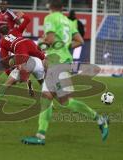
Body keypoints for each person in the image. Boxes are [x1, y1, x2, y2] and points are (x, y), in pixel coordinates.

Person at [22, 0, 109, 145]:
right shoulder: (69, 21)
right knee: (53, 99)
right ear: (63, 7)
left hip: (56, 62)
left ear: (50, 5)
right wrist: (65, 47)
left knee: (57, 100)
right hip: (64, 62)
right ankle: (40, 136)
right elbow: (80, 40)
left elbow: (49, 39)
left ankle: (99, 120)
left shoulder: (50, 18)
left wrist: (40, 45)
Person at [0, 25, 46, 107]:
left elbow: (4, 59)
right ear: (8, 31)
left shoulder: (2, 42)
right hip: (29, 43)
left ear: (1, 34)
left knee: (8, 83)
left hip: (20, 48)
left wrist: (10, 67)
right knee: (42, 81)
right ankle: (50, 104)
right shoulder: (14, 33)